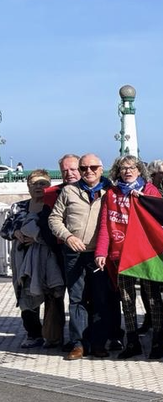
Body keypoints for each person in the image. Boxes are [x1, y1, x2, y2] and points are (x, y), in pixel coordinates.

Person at [94, 155, 163, 359]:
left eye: (132, 167)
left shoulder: (149, 190)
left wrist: (142, 200)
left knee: (152, 297)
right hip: (121, 253)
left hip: (146, 253)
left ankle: (158, 340)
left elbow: (161, 219)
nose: (128, 171)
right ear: (118, 171)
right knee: (126, 299)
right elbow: (105, 226)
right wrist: (101, 252)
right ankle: (132, 341)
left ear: (139, 170)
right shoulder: (111, 194)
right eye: (123, 168)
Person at [48, 153, 115, 360]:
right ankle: (78, 344)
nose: (89, 172)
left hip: (99, 254)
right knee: (76, 299)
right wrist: (67, 236)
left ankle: (98, 343)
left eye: (93, 167)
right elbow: (54, 219)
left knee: (100, 299)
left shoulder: (110, 192)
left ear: (101, 168)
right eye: (84, 168)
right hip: (73, 253)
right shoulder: (69, 191)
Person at [1, 170, 66, 349]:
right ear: (28, 186)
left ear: (49, 186)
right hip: (22, 257)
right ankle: (33, 333)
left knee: (53, 294)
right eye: (35, 183)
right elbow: (5, 228)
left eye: (43, 183)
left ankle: (53, 334)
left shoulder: (53, 205)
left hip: (48, 256)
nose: (39, 187)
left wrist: (38, 237)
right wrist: (15, 232)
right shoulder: (19, 207)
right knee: (25, 293)